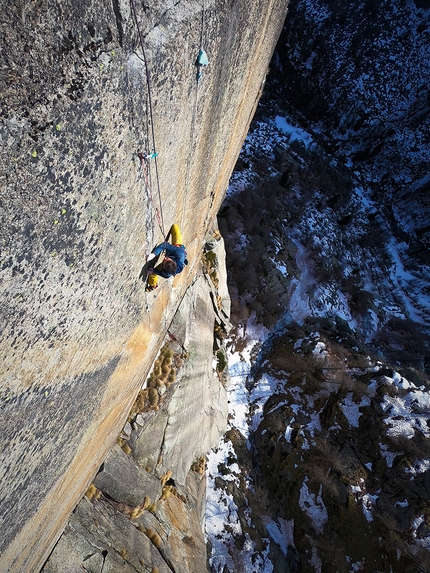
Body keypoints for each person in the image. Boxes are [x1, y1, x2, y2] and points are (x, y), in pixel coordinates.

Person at [145, 224, 187, 291]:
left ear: (164, 267)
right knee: (175, 227)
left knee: (152, 274)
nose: (164, 258)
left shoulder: (166, 273)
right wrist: (154, 254)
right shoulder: (179, 254)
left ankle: (152, 286)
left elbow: (163, 274)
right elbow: (165, 245)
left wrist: (153, 270)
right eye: (167, 259)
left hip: (169, 261)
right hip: (177, 248)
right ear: (173, 261)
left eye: (164, 261)